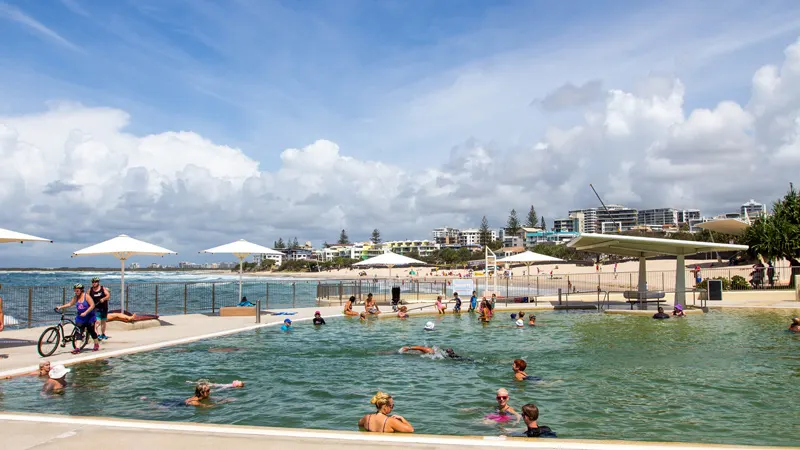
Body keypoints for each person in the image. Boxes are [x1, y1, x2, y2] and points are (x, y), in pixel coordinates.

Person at [56, 283, 100, 353]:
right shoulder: (75, 297)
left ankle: (96, 344)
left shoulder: (86, 296)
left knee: (92, 331)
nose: (76, 292)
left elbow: (92, 305)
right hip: (80, 317)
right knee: (79, 332)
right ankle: (77, 348)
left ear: (81, 290)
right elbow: (70, 304)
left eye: (77, 291)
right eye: (75, 290)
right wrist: (60, 307)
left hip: (89, 317)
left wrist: (85, 312)